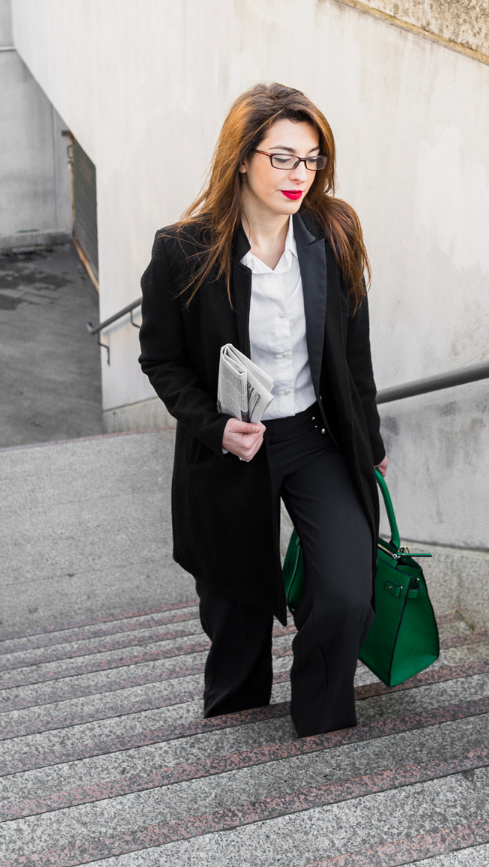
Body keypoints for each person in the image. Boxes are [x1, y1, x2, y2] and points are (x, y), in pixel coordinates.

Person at [138, 82, 387, 738]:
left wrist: (370, 441)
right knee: (237, 618)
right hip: (230, 451)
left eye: (311, 159)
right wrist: (216, 427)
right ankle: (239, 740)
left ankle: (322, 724)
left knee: (346, 594)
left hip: (315, 437)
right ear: (243, 157)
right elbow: (161, 361)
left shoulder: (333, 232)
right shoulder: (182, 250)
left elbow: (353, 352)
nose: (300, 174)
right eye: (282, 157)